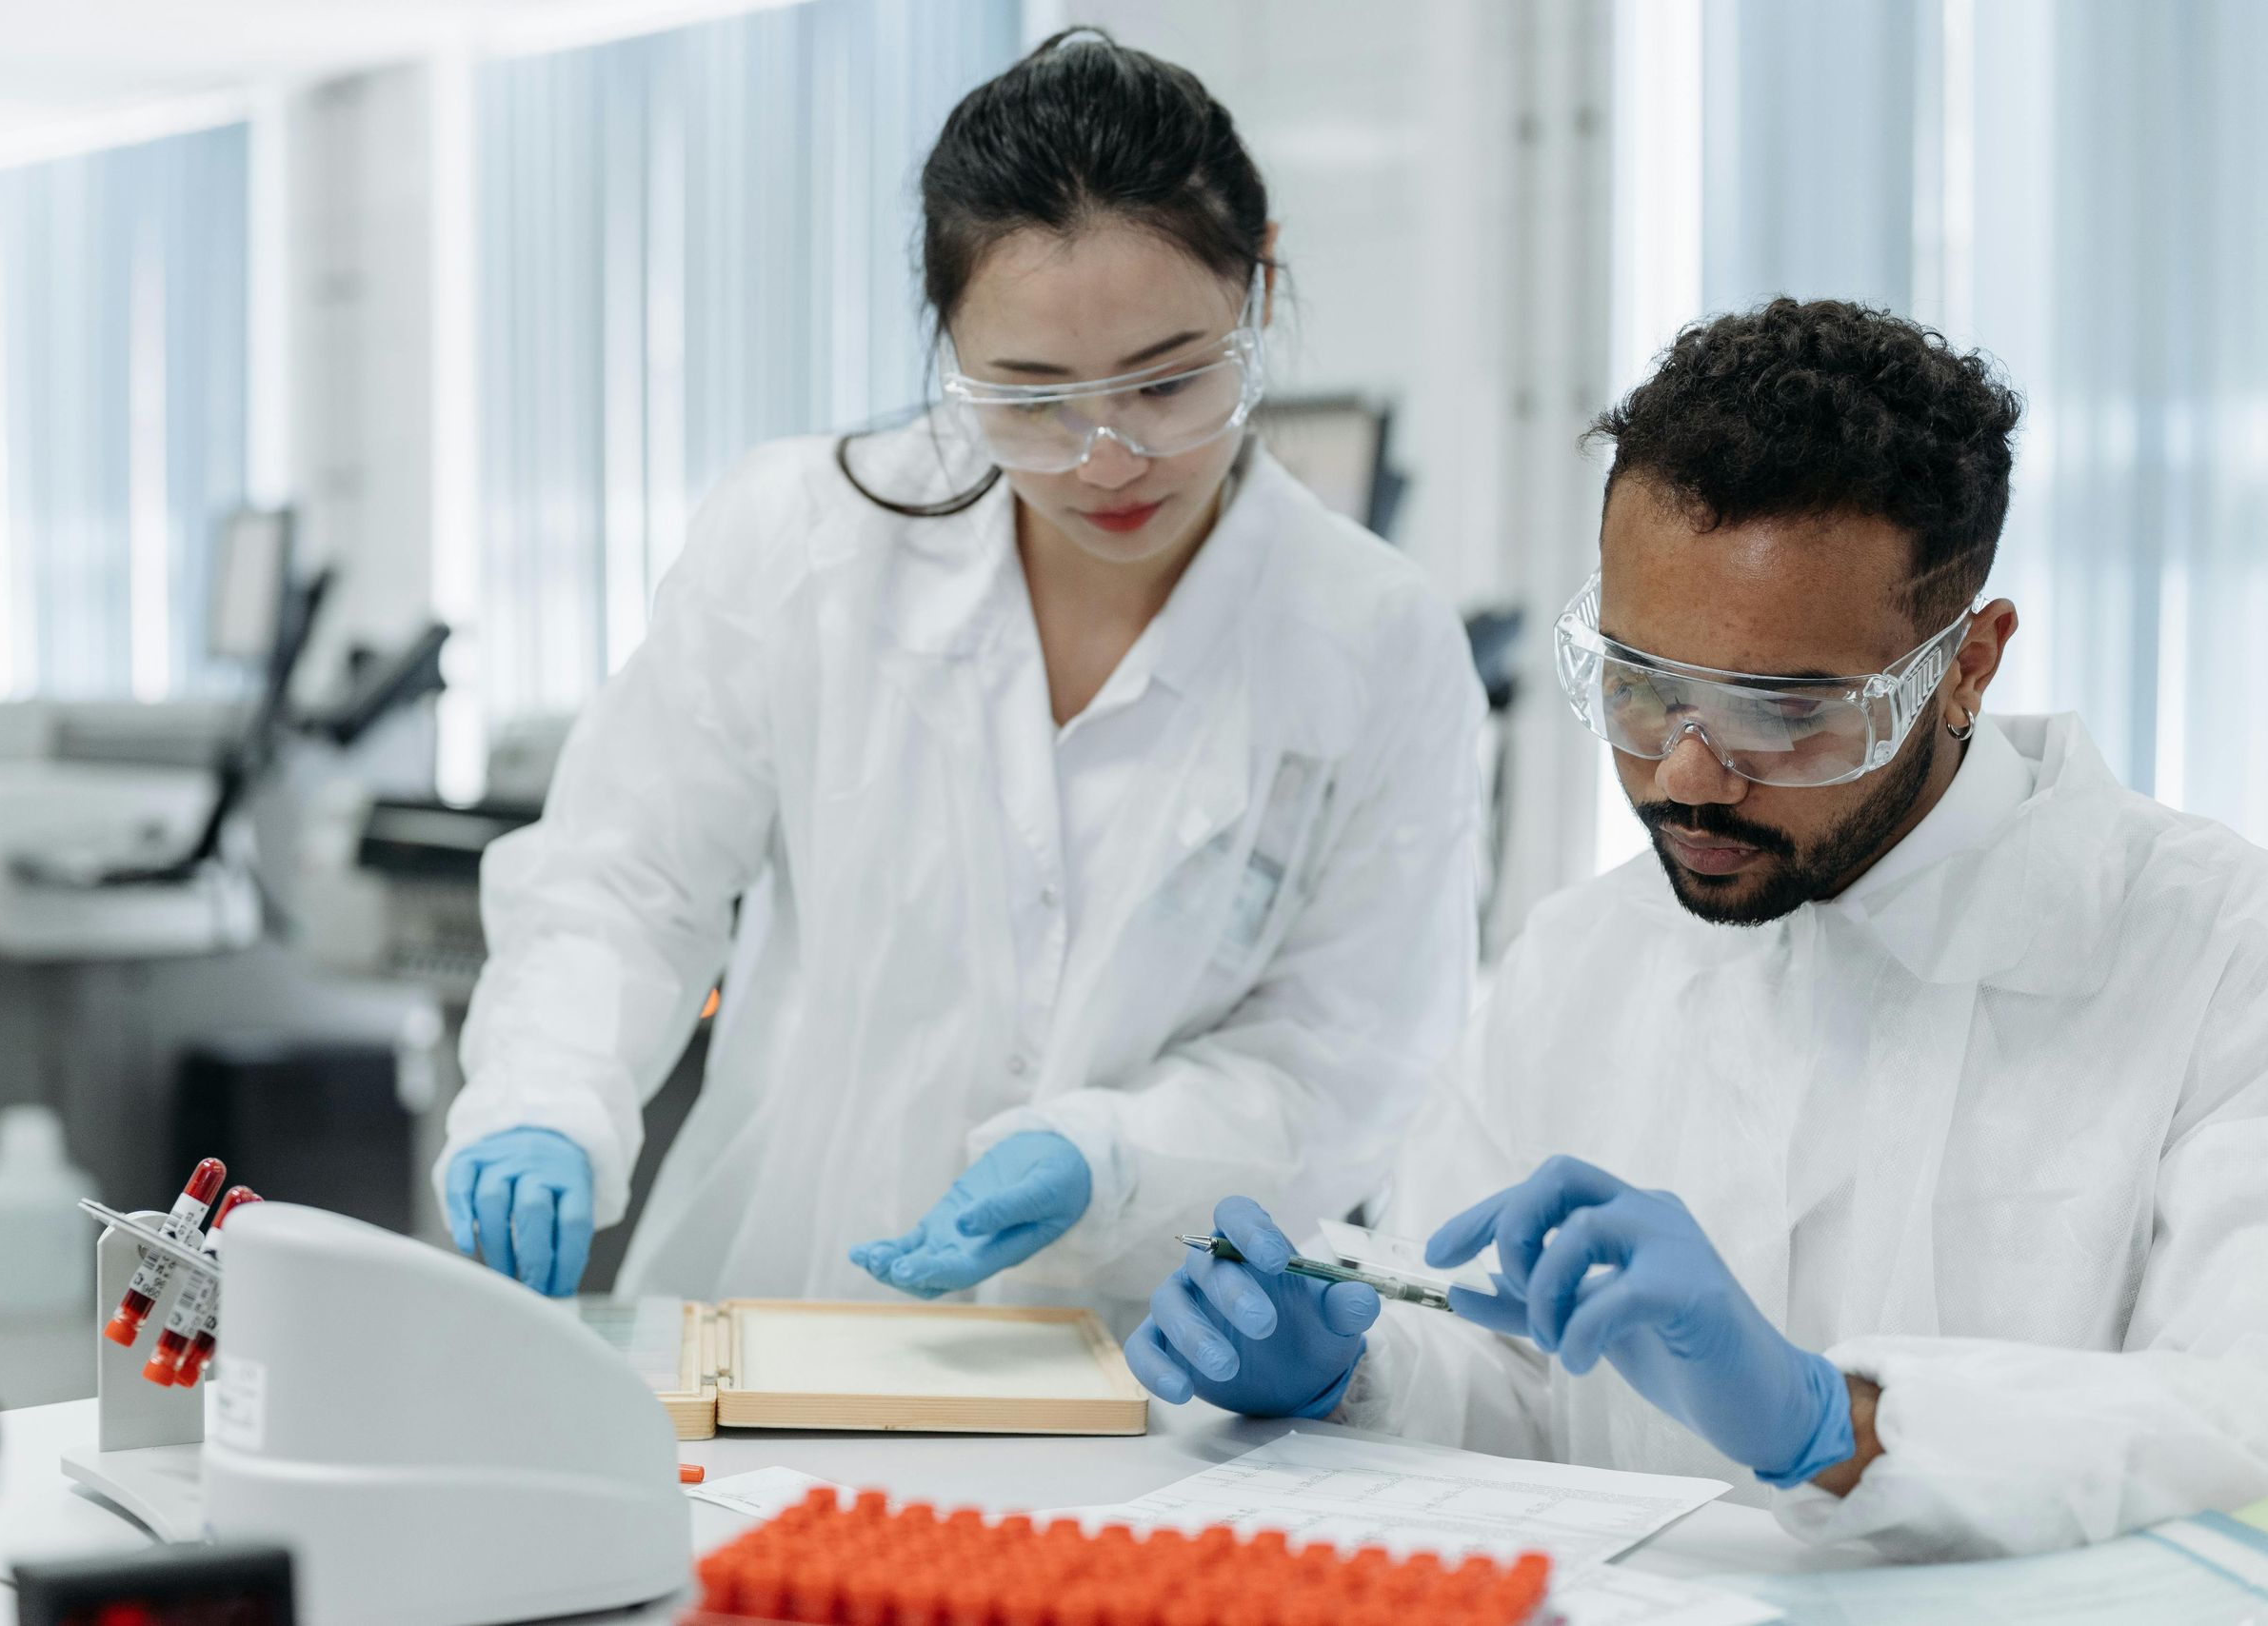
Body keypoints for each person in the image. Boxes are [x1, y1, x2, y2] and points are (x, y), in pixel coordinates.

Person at [1127, 298, 2268, 1560]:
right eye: (1638, 684)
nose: (1683, 774)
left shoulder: (2215, 953)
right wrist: (1345, 1365)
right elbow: (1502, 1386)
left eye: (1781, 712)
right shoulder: (1582, 960)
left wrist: (1840, 1424)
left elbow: (2241, 1416)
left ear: (1968, 663)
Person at [435, 30, 1484, 1308]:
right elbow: (627, 880)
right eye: (1032, 396)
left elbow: (1349, 1055)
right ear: (949, 344)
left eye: (1164, 384)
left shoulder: (1373, 642)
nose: (1106, 458)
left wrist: (1111, 1155)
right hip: (782, 1302)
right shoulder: (806, 542)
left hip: (1150, 1351)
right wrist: (546, 1092)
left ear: (1257, 286)